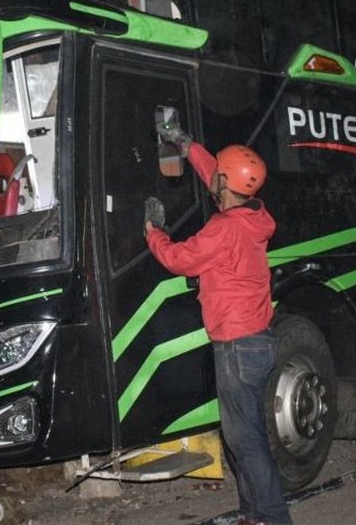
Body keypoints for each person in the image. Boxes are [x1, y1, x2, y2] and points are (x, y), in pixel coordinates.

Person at [143, 133, 291, 525]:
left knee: (246, 440)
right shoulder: (256, 217)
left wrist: (153, 233)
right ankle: (253, 512)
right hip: (257, 342)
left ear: (226, 184)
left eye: (219, 177)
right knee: (245, 435)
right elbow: (219, 175)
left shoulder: (223, 229)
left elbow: (179, 259)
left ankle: (272, 517)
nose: (215, 180)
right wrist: (190, 148)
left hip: (238, 346)